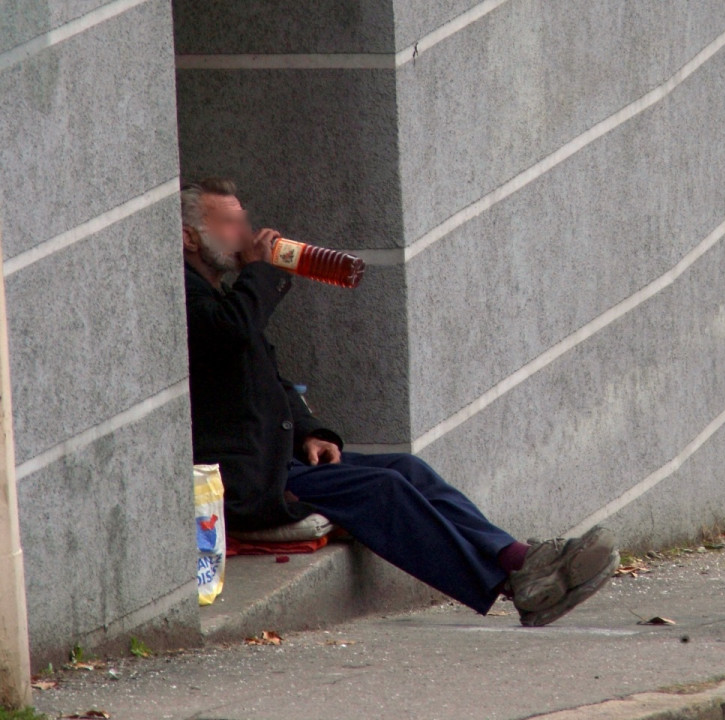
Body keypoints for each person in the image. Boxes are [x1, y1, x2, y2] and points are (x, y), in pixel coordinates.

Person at [180, 177, 618, 627]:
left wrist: (312, 431)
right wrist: (262, 270)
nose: (245, 232)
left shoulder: (223, 297)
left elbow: (269, 378)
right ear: (189, 236)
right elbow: (233, 333)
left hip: (276, 461)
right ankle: (516, 585)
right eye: (228, 223)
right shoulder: (183, 300)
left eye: (241, 220)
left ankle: (521, 559)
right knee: (383, 492)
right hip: (247, 483)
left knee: (406, 469)